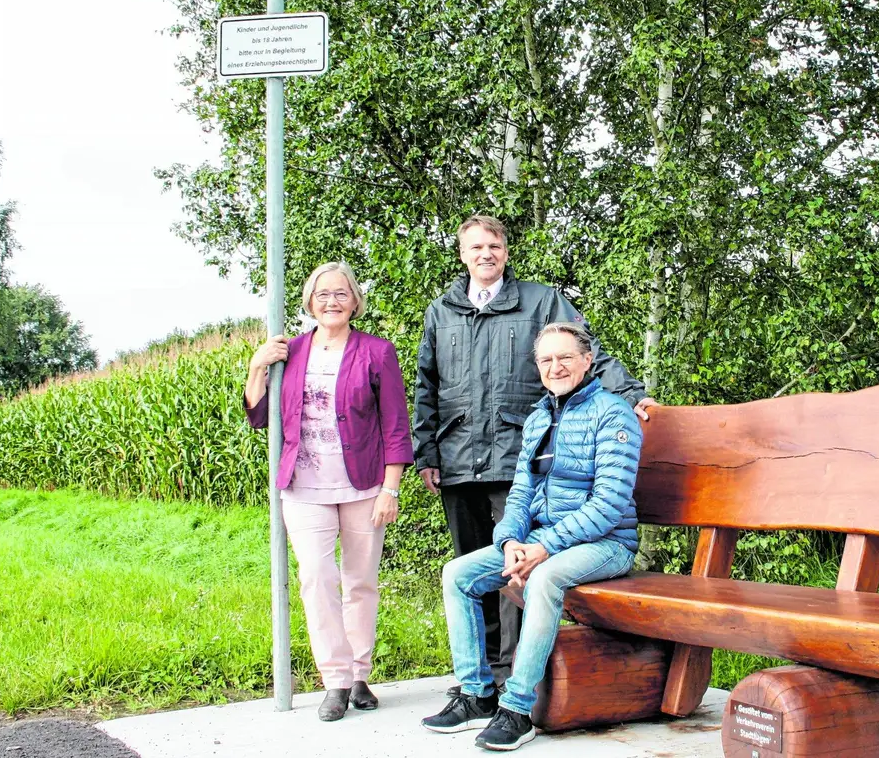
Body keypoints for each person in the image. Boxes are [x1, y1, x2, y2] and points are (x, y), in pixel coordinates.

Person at [412, 214, 657, 691]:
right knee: (472, 565)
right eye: (476, 247)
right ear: (462, 254)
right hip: (458, 456)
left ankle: (512, 674)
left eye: (494, 246)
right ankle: (477, 676)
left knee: (515, 570)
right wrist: (428, 453)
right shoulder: (440, 311)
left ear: (506, 252)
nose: (486, 254)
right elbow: (428, 385)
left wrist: (628, 392)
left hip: (513, 450)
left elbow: (586, 351)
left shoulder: (541, 300)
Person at [421, 322, 642, 751]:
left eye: (565, 358)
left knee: (544, 578)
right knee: (458, 573)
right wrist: (510, 543)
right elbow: (520, 493)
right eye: (546, 360)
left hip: (607, 545)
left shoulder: (614, 414)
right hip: (543, 541)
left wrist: (544, 547)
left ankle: (518, 709)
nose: (555, 367)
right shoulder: (540, 417)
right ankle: (477, 696)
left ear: (587, 361)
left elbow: (610, 504)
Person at [243, 261, 413, 722]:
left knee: (360, 582)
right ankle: (334, 680)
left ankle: (360, 675)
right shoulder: (290, 351)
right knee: (317, 579)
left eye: (341, 294)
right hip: (303, 488)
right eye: (322, 294)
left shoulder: (377, 351)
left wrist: (390, 489)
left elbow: (396, 424)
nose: (331, 301)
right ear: (309, 301)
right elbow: (262, 418)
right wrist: (258, 365)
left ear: (355, 301)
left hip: (363, 486)